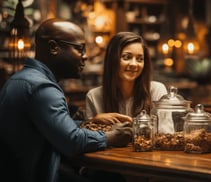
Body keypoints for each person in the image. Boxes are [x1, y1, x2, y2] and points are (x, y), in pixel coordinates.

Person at [0, 18, 133, 182]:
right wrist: (112, 136)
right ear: (53, 47)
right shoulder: (42, 87)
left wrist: (89, 122)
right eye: (80, 49)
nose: (85, 56)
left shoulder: (23, 79)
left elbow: (53, 128)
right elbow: (72, 141)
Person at [85, 32, 167, 119]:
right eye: (127, 57)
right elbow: (89, 131)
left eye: (140, 59)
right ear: (112, 59)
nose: (134, 64)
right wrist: (94, 120)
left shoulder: (157, 91)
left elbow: (166, 131)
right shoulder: (94, 96)